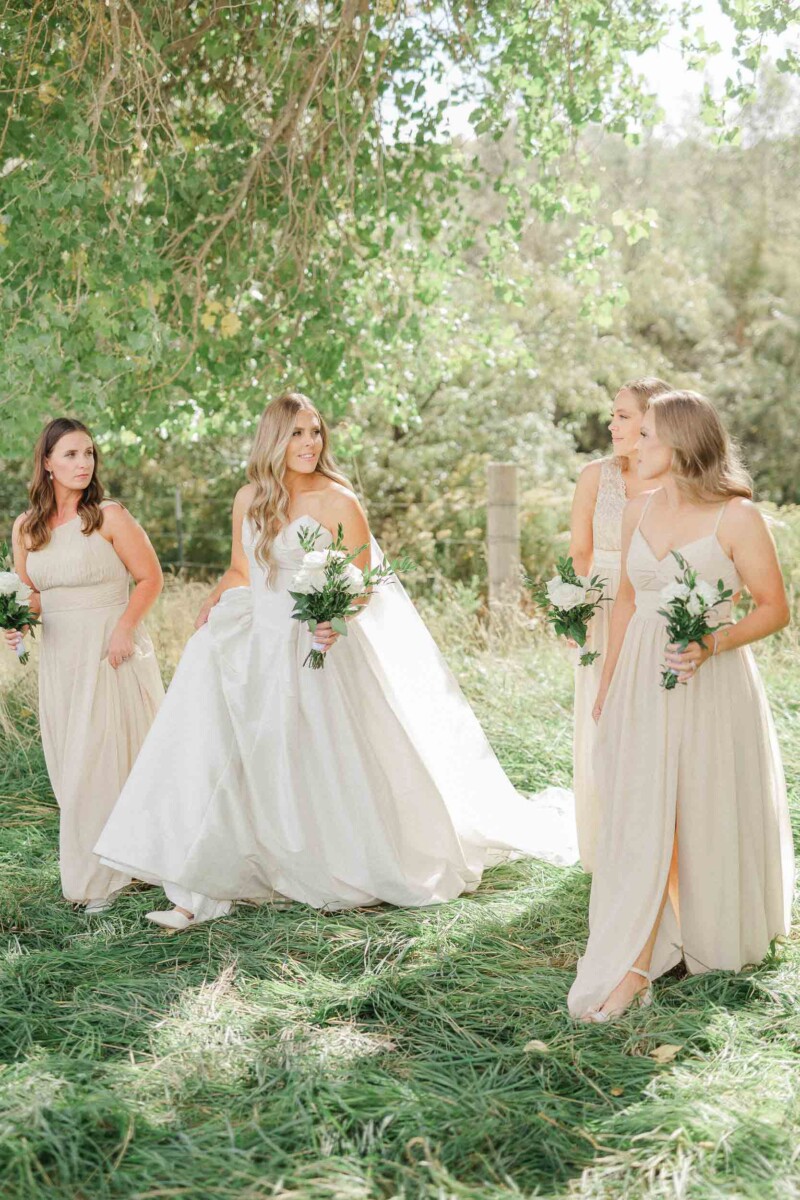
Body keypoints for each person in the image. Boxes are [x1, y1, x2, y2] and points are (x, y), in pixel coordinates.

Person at [95, 392, 578, 929]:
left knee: (313, 757)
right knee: (226, 748)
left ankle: (327, 861)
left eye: (316, 432)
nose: (309, 443)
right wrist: (215, 596)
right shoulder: (249, 497)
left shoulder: (337, 499)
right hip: (257, 640)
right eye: (298, 433)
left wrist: (334, 615)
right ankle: (200, 890)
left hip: (315, 643)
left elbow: (365, 579)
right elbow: (241, 568)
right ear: (274, 438)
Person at [568, 390, 793, 1022]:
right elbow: (626, 604)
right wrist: (608, 688)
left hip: (712, 684)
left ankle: (686, 934)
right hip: (642, 673)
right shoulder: (637, 511)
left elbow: (775, 609)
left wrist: (712, 642)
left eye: (647, 437)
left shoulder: (737, 519)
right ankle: (639, 953)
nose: (633, 445)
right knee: (644, 809)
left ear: (681, 445)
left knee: (698, 802)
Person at [5, 418, 164, 912]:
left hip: (109, 652)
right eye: (71, 454)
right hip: (61, 660)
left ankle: (102, 878)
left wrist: (123, 629)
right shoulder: (26, 528)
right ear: (47, 463)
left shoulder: (109, 516)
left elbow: (150, 578)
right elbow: (33, 599)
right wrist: (15, 623)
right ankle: (117, 859)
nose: (82, 463)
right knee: (70, 764)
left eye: (89, 453)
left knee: (104, 759)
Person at [567, 376, 672, 870]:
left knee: (651, 719)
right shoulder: (596, 475)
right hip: (602, 609)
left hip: (656, 609)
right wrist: (578, 609)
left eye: (624, 416)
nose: (612, 424)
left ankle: (653, 838)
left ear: (654, 422)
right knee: (601, 715)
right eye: (613, 415)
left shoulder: (674, 480)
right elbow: (580, 552)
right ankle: (606, 843)